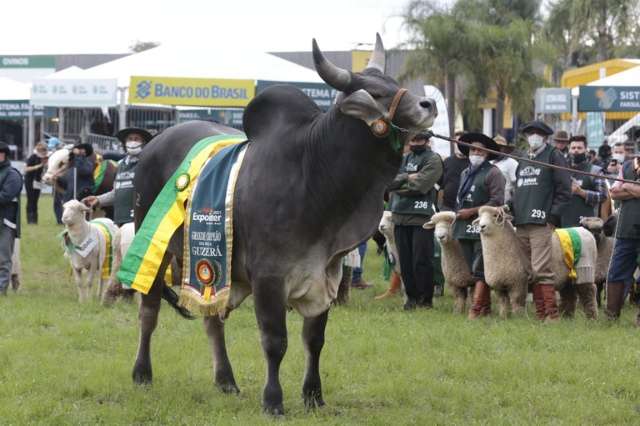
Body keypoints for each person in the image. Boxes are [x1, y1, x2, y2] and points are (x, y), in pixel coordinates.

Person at [510, 120, 571, 322]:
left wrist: (552, 217)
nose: (533, 136)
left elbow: (565, 190)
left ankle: (552, 315)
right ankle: (540, 314)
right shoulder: (522, 157)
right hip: (521, 222)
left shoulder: (554, 155)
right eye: (530, 133)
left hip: (541, 222)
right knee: (530, 271)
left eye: (537, 133)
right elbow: (518, 189)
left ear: (545, 137)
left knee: (541, 269)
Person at [453, 133, 505, 319]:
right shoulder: (464, 173)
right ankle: (486, 308)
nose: (475, 152)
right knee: (471, 269)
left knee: (481, 268)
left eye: (480, 150)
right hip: (463, 227)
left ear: (487, 153)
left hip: (484, 228)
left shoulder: (493, 173)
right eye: (473, 149)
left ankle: (475, 309)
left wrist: (473, 211)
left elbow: (497, 200)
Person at [389, 132, 443, 310]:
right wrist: (406, 177)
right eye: (412, 140)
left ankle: (425, 300)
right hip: (399, 215)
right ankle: (411, 299)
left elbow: (421, 186)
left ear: (427, 141)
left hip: (421, 216)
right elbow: (388, 181)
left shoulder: (433, 160)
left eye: (419, 140)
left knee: (421, 260)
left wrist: (399, 186)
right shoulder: (404, 158)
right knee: (404, 261)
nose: (415, 143)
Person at [83, 127, 152, 225]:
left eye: (136, 139)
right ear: (124, 143)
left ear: (144, 143)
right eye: (130, 139)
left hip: (140, 222)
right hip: (119, 220)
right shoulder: (120, 165)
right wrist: (98, 199)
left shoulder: (148, 164)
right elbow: (116, 193)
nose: (133, 142)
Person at [605, 155, 640, 323]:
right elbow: (613, 192)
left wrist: (627, 185)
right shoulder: (627, 166)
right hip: (626, 230)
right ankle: (612, 316)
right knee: (616, 272)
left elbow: (621, 190)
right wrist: (634, 188)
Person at [559, 136, 608, 228]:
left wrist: (580, 192)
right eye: (573, 148)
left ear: (586, 150)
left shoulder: (595, 170)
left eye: (579, 148)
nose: (576, 150)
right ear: (569, 150)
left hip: (587, 224)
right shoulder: (561, 169)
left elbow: (603, 196)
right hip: (562, 223)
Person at [0, 142, 23, 296]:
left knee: (3, 258)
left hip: (5, 222)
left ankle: (1, 289)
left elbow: (6, 196)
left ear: (4, 155)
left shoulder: (12, 174)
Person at [441, 131, 469, 211]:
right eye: (457, 142)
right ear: (453, 143)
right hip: (447, 206)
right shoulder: (447, 161)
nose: (459, 145)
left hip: (466, 209)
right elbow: (440, 185)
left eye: (463, 143)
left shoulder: (473, 163)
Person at [23, 142, 48, 224]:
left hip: (38, 181)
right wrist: (39, 166)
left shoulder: (44, 158)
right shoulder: (32, 157)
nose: (44, 153)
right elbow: (26, 169)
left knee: (35, 200)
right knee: (30, 200)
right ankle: (30, 220)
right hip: (29, 181)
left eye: (45, 151)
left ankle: (35, 220)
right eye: (43, 151)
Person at [491, 135, 518, 204]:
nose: (497, 149)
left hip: (504, 205)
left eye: (500, 147)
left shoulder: (512, 163)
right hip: (488, 204)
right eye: (495, 147)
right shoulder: (488, 162)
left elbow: (517, 187)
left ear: (505, 149)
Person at [47, 137, 65, 224]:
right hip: (56, 180)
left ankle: (64, 219)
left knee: (64, 200)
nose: (52, 148)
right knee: (57, 201)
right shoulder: (52, 155)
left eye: (53, 146)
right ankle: (59, 220)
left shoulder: (65, 155)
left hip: (63, 180)